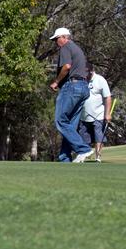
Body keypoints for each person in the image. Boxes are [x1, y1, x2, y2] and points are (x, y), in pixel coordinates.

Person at [48, 27, 94, 163]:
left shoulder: (66, 47)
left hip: (72, 86)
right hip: (83, 87)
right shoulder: (77, 48)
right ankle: (65, 158)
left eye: (56, 39)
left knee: (60, 120)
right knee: (70, 126)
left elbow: (67, 66)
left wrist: (56, 82)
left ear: (64, 37)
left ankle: (83, 149)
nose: (56, 42)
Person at [79, 63, 113, 162]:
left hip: (98, 114)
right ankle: (82, 157)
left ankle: (98, 157)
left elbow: (107, 97)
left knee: (98, 137)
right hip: (84, 115)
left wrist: (107, 114)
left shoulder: (100, 80)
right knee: (84, 138)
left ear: (92, 71)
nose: (85, 75)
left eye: (86, 73)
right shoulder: (82, 80)